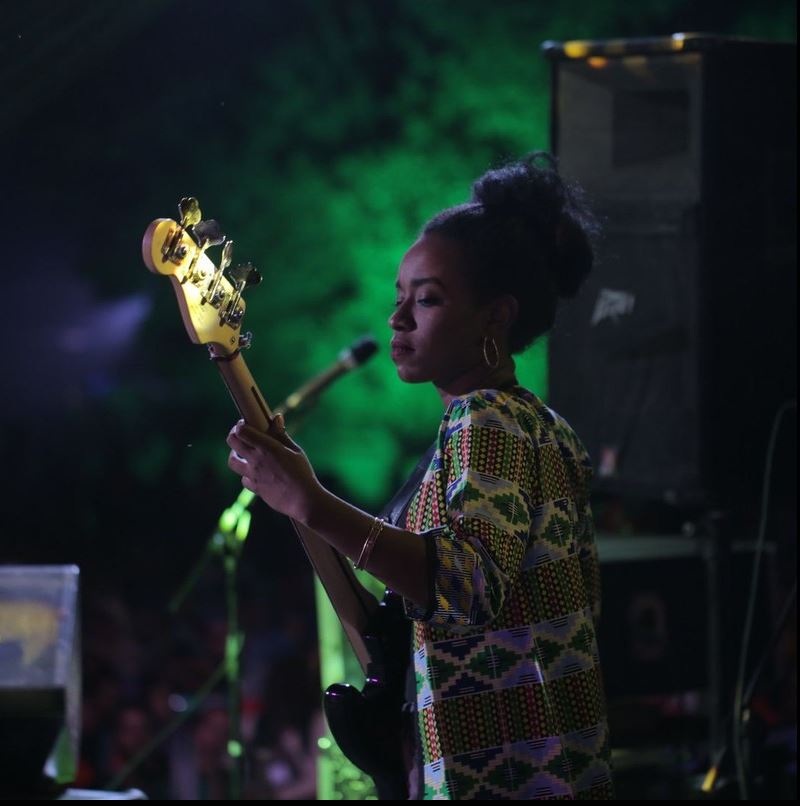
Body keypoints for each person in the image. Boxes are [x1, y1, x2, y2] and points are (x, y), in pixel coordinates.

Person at [226, 152, 613, 800]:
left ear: (496, 317)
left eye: (427, 299)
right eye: (399, 297)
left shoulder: (485, 419)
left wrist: (310, 502)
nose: (397, 318)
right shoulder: (536, 423)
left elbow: (465, 586)